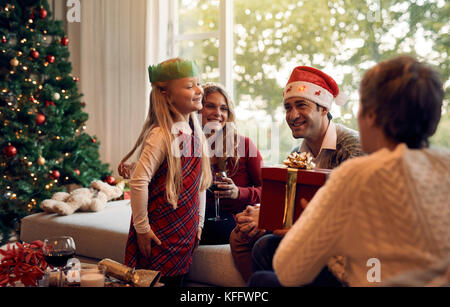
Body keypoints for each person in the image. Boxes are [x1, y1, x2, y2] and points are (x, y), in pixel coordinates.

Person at [250, 55, 450, 287]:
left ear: (371, 116)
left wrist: (309, 226)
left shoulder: (357, 173)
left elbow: (289, 271)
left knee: (262, 280)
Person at [230, 65, 363, 283]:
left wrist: (270, 221)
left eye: (301, 105)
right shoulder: (296, 155)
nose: (292, 115)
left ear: (323, 108)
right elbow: (289, 203)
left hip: (346, 243)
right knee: (242, 234)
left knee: (264, 246)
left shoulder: (351, 148)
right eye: (287, 107)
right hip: (310, 232)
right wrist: (261, 213)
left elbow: (354, 214)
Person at [117, 58, 212, 287]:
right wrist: (142, 229)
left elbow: (200, 185)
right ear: (166, 94)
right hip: (158, 231)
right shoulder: (161, 134)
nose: (199, 90)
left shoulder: (195, 135)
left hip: (185, 231)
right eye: (190, 86)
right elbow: (139, 181)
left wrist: (199, 224)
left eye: (198, 84)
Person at [198, 82, 263, 245]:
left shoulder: (244, 145)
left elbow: (269, 192)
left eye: (224, 108)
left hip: (234, 221)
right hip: (199, 219)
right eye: (210, 106)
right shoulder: (188, 146)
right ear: (198, 109)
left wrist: (238, 193)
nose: (218, 113)